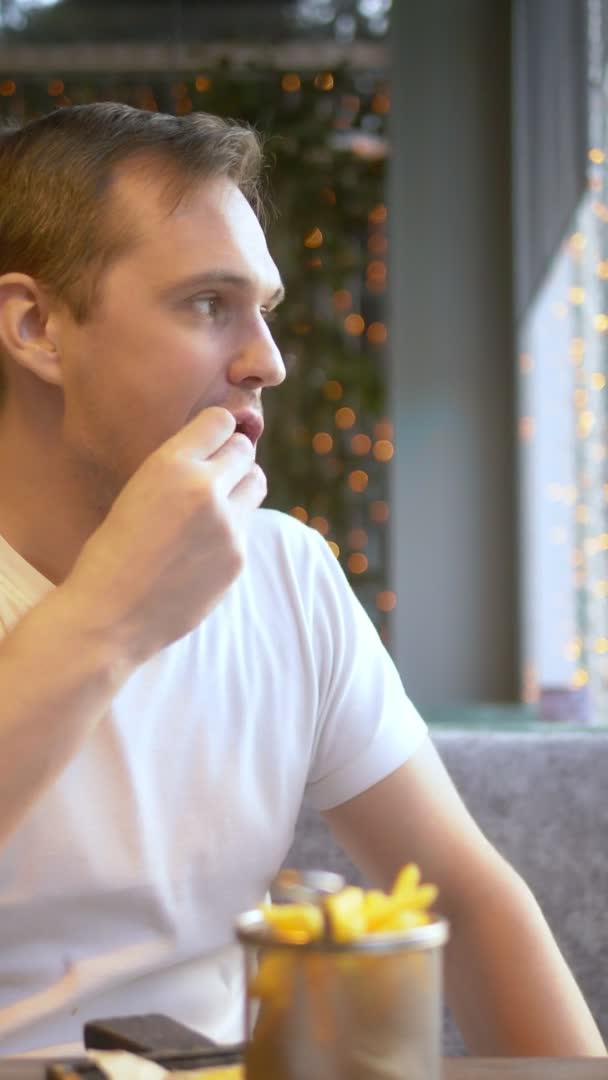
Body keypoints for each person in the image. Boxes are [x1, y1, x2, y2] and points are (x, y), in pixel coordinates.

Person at [0, 103, 604, 1059]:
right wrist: (112, 615)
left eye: (264, 312)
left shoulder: (283, 571)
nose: (267, 363)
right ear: (37, 327)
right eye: (207, 305)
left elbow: (469, 902)